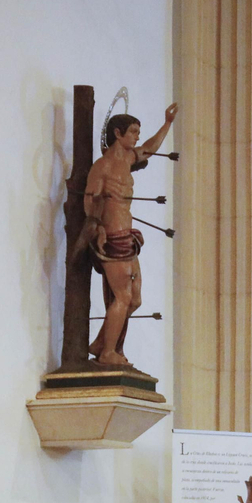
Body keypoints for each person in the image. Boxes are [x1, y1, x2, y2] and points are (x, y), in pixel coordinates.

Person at [83, 103, 178, 368]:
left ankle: (100, 343)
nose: (137, 136)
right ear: (118, 133)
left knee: (135, 299)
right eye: (133, 131)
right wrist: (98, 229)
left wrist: (167, 123)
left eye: (138, 131)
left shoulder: (127, 160)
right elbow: (90, 200)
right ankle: (107, 353)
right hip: (113, 237)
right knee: (123, 297)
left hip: (128, 235)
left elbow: (149, 148)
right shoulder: (102, 166)